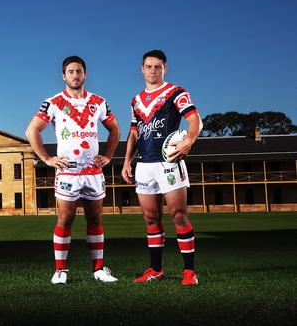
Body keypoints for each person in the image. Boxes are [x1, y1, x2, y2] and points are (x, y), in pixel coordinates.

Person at [26, 56, 121, 284]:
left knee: (95, 219)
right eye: (70, 72)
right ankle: (60, 271)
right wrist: (47, 158)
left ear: (85, 74)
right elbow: (32, 131)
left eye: (79, 71)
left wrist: (108, 155)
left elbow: (115, 129)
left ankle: (98, 269)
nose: (75, 75)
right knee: (65, 219)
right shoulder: (53, 102)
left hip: (93, 172)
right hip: (68, 172)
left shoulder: (99, 102)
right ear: (63, 75)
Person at [121, 49, 202, 286]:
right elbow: (134, 133)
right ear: (142, 69)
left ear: (164, 68)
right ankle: (155, 269)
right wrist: (127, 161)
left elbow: (195, 119)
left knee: (178, 215)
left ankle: (189, 272)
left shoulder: (176, 92)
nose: (153, 71)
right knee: (150, 218)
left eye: (158, 67)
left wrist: (189, 142)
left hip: (169, 162)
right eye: (149, 67)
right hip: (144, 164)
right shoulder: (135, 100)